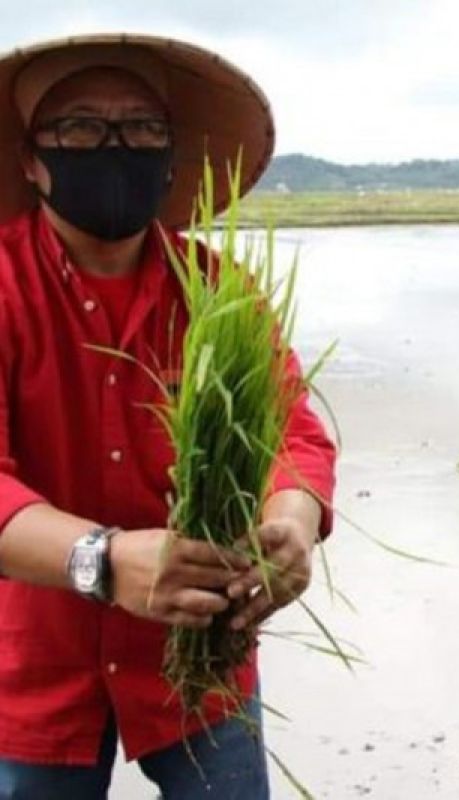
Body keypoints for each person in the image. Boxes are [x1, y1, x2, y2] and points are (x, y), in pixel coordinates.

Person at [0, 35, 336, 798]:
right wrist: (103, 559)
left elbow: (293, 429)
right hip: (32, 660)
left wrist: (291, 518)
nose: (116, 148)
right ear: (30, 159)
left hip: (202, 645)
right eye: (81, 128)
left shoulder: (218, 289)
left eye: (144, 130)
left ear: (171, 155)